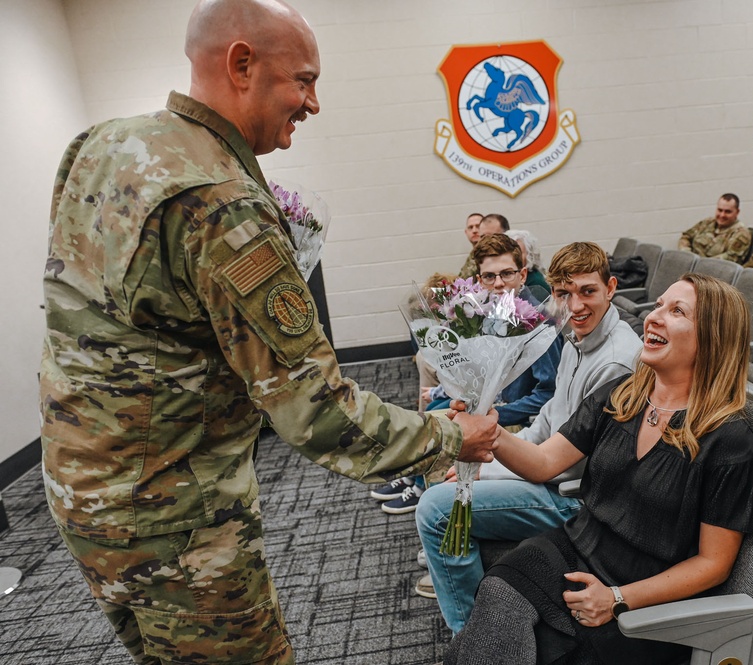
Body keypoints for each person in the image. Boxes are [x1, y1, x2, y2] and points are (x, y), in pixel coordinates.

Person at [38, 2, 498, 663]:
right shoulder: (220, 201)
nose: (313, 103)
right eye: (303, 80)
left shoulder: (102, 145)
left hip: (85, 491)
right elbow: (316, 411)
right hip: (176, 520)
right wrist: (451, 435)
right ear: (242, 64)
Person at [443, 273, 753, 665]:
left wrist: (616, 599)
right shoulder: (622, 393)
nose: (654, 317)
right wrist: (488, 430)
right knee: (497, 594)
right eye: (659, 304)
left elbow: (713, 565)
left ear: (714, 337)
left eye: (677, 311)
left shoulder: (732, 441)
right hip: (574, 546)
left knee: (489, 648)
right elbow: (545, 463)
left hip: (642, 593)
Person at [416, 242, 643, 633]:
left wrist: (488, 470)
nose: (575, 306)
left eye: (587, 291)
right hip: (554, 472)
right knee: (449, 468)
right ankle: (466, 592)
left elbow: (564, 467)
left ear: (611, 287)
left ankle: (473, 638)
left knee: (437, 508)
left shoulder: (616, 362)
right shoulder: (578, 339)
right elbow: (548, 418)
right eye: (563, 294)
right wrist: (484, 459)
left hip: (577, 498)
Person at [375, 234, 563, 514]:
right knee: (437, 410)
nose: (498, 284)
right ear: (479, 280)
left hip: (519, 419)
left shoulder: (536, 323)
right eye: (489, 276)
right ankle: (423, 484)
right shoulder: (492, 313)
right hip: (496, 406)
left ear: (522, 274)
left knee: (439, 426)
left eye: (507, 274)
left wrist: (493, 415)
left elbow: (548, 393)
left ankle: (430, 492)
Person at [678, 193, 752, 263]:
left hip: (713, 272)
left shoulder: (742, 234)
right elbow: (686, 236)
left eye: (728, 212)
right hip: (691, 265)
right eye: (720, 210)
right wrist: (687, 253)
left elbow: (731, 259)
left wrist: (699, 264)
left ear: (737, 212)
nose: (722, 215)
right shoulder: (707, 223)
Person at [506, 228, 552, 300]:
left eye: (518, 253)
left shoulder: (536, 282)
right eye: (508, 252)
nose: (513, 257)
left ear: (529, 255)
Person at [458, 212, 485, 279]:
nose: (474, 230)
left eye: (478, 226)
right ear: (466, 232)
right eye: (470, 227)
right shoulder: (472, 255)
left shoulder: (491, 253)